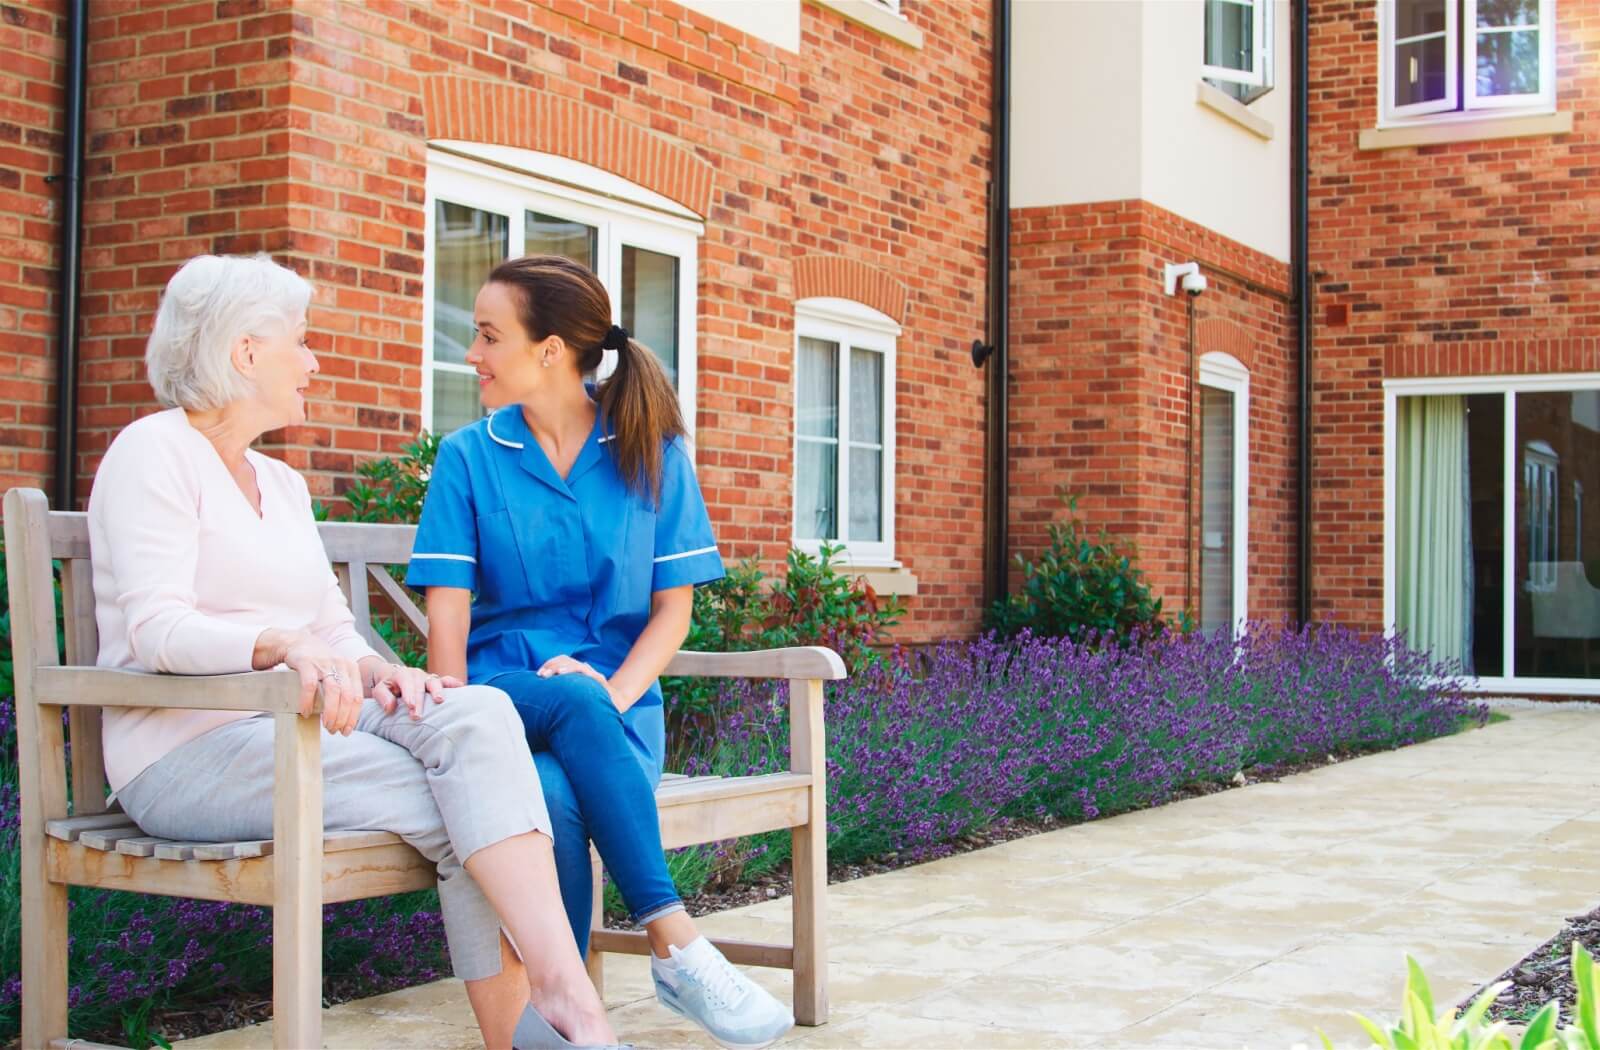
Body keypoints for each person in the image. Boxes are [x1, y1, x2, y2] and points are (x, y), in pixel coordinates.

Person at [88, 254, 621, 1050]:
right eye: (299, 343)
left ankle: (561, 1000)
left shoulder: (283, 482)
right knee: (473, 801)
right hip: (188, 749)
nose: (312, 361)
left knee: (475, 715)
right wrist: (275, 643)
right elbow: (157, 630)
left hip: (297, 729)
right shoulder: (153, 452)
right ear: (244, 353)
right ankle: (556, 1021)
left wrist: (380, 670)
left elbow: (333, 627)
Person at [407, 254, 794, 1050]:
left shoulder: (651, 451)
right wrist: (445, 716)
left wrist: (607, 700)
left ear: (550, 350)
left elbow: (671, 616)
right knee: (551, 737)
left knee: (552, 793)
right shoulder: (468, 458)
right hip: (499, 702)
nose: (470, 354)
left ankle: (575, 1026)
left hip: (617, 716)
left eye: (487, 336)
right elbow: (446, 619)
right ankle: (675, 943)